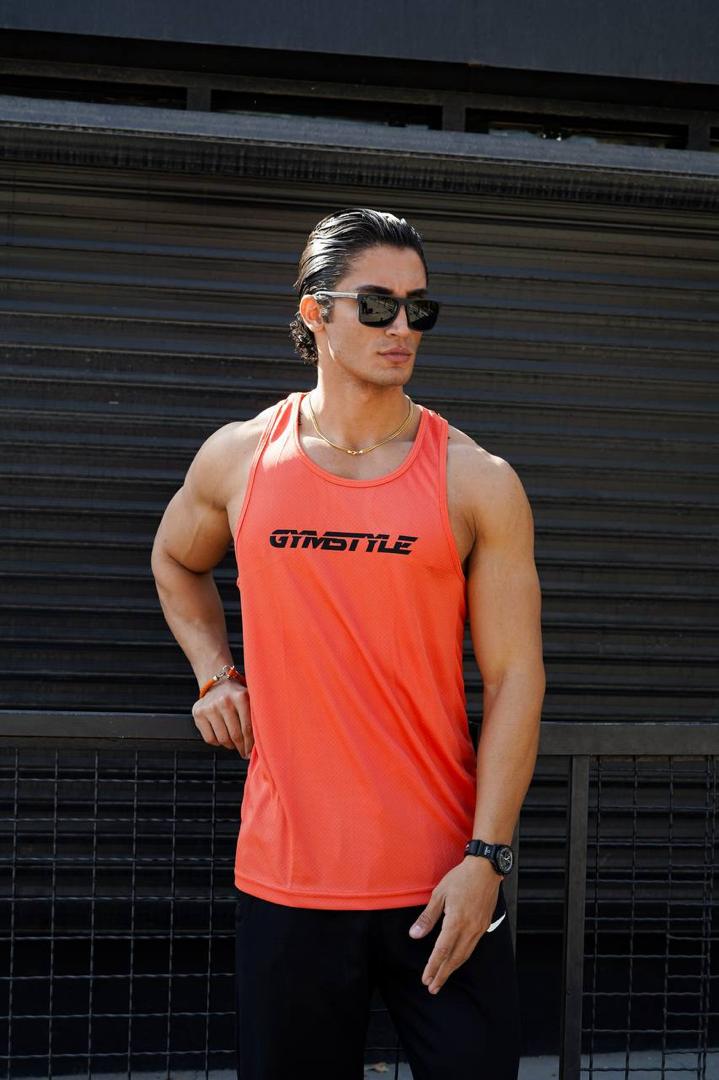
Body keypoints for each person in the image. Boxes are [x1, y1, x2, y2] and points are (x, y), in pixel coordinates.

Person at [151, 207, 545, 1080]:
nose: (401, 327)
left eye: (417, 308)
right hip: (288, 880)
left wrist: (487, 858)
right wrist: (214, 674)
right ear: (314, 312)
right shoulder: (239, 458)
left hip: (443, 882)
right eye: (376, 305)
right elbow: (176, 561)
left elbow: (516, 677)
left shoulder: (475, 480)